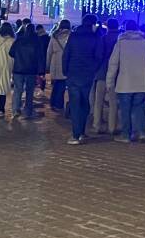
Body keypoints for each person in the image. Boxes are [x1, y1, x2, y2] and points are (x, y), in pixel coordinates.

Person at [106, 20, 145, 143]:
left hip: (124, 83)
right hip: (141, 83)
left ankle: (126, 135)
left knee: (125, 110)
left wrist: (110, 82)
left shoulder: (120, 44)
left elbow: (113, 64)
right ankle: (141, 133)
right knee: (139, 108)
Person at [62, 14, 103, 144]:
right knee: (85, 102)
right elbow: (98, 57)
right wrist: (93, 69)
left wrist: (66, 71)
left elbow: (66, 55)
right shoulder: (96, 38)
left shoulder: (73, 36)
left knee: (75, 103)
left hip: (73, 74)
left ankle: (76, 134)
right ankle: (81, 132)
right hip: (87, 75)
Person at [91, 18, 119, 135]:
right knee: (113, 102)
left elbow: (98, 55)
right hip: (116, 74)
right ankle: (112, 127)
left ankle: (97, 125)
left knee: (99, 101)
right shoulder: (120, 40)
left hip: (102, 72)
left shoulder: (103, 39)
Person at [9, 23, 40, 119]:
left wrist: (18, 58)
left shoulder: (19, 40)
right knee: (30, 91)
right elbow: (39, 57)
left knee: (18, 90)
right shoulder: (36, 42)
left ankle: (15, 110)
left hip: (18, 69)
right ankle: (28, 110)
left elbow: (11, 52)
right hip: (31, 70)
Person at [46, 19, 70, 112]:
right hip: (65, 62)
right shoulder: (70, 36)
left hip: (55, 62)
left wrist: (47, 65)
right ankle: (58, 104)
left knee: (56, 84)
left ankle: (53, 102)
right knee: (62, 85)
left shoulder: (54, 36)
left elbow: (49, 52)